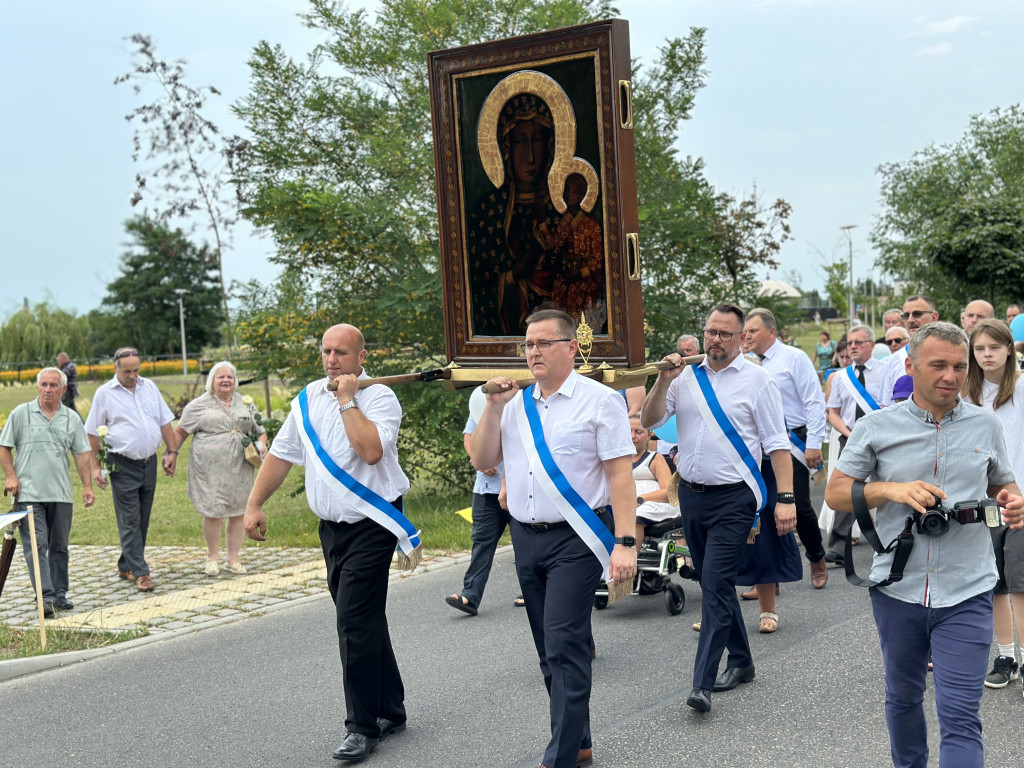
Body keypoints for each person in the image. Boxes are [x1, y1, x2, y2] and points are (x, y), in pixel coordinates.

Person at [825, 321, 1024, 768]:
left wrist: (1012, 503)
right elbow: (837, 493)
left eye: (958, 365)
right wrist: (890, 490)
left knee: (960, 716)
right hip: (899, 588)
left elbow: (1003, 485)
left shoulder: (985, 423)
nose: (951, 376)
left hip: (968, 587)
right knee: (903, 699)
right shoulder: (876, 427)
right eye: (938, 365)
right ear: (911, 366)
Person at [470, 309, 636, 768]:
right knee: (548, 649)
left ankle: (560, 757)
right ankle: (579, 739)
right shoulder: (514, 404)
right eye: (528, 345)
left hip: (577, 539)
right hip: (526, 537)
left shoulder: (601, 401)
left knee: (565, 642)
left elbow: (620, 474)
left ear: (570, 347)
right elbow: (484, 459)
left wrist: (625, 542)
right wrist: (492, 406)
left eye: (544, 343)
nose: (534, 352)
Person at [244, 324, 413, 763]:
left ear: (361, 358)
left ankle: (361, 727)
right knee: (364, 618)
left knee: (353, 622)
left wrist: (347, 399)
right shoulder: (306, 400)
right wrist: (254, 504)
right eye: (326, 351)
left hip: (372, 524)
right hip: (332, 531)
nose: (332, 359)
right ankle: (390, 709)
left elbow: (370, 451)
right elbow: (280, 456)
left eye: (341, 352)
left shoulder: (379, 398)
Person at [641, 303, 794, 714]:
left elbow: (778, 444)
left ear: (742, 338)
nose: (716, 340)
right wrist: (662, 379)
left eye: (725, 334)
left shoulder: (758, 382)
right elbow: (651, 418)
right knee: (716, 586)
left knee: (714, 582)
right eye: (711, 332)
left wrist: (785, 499)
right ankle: (742, 662)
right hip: (691, 495)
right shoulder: (685, 377)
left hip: (735, 498)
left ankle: (702, 683)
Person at [743, 308, 829, 592]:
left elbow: (814, 401)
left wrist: (815, 442)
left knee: (799, 506)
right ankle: (768, 577)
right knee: (762, 509)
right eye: (745, 331)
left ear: (771, 332)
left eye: (752, 331)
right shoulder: (743, 362)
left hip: (792, 441)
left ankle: (816, 557)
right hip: (756, 445)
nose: (746, 335)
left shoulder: (794, 358)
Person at [467, 94, 564, 336]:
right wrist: (511, 277)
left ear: (550, 145)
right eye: (521, 141)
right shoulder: (488, 212)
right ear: (506, 146)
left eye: (538, 140)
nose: (530, 156)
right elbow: (476, 287)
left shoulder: (561, 211)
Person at [0, 367, 94, 616]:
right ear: (37, 387)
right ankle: (46, 597)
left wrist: (87, 486)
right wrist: (11, 476)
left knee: (60, 546)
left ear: (63, 389)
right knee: (37, 545)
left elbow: (82, 454)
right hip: (29, 494)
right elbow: (4, 446)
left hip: (61, 493)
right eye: (44, 385)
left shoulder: (71, 418)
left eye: (53, 385)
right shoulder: (21, 414)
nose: (48, 390)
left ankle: (60, 594)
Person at [963, 319, 1024, 693]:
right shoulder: (966, 394)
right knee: (994, 583)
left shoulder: (1021, 387)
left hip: (1018, 498)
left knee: (1021, 583)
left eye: (994, 347)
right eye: (979, 348)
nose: (986, 354)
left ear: (1008, 350)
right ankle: (1006, 656)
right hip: (981, 502)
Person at [84, 347, 176, 593]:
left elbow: (165, 421)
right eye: (127, 371)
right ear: (116, 368)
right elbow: (92, 432)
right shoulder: (105, 393)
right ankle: (141, 572)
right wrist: (95, 467)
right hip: (121, 463)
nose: (132, 375)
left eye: (136, 370)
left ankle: (126, 563)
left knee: (142, 519)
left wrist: (172, 451)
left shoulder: (149, 387)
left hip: (149, 462)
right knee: (129, 519)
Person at [174, 361, 266, 577]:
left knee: (237, 511)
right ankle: (212, 558)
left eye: (230, 377)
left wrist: (262, 445)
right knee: (213, 512)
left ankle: (232, 560)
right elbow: (179, 432)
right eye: (220, 377)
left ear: (235, 381)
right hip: (208, 469)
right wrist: (171, 454)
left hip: (240, 466)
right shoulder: (198, 405)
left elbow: (260, 430)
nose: (226, 380)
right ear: (211, 382)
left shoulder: (245, 403)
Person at [445, 409, 508, 616]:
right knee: (481, 542)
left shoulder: (523, 401)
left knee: (527, 546)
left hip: (519, 489)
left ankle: (534, 592)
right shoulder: (482, 404)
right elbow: (469, 438)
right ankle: (470, 597)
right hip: (486, 489)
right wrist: (478, 460)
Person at [879, 295, 939, 406]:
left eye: (917, 314)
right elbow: (886, 406)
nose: (911, 320)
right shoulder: (895, 359)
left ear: (934, 317)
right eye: (906, 315)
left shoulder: (950, 353)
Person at [629, 413, 676, 545]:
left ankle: (631, 562)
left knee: (634, 516)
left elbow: (668, 492)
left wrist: (641, 498)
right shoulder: (619, 460)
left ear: (649, 435)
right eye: (629, 431)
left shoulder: (655, 458)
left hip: (653, 505)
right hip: (627, 503)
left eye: (638, 432)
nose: (633, 436)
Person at [56, 352, 79, 417]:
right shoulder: (65, 366)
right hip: (67, 390)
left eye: (59, 360)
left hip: (69, 390)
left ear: (64, 359)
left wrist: (56, 371)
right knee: (72, 409)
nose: (59, 362)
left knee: (63, 407)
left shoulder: (69, 366)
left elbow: (63, 375)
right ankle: (82, 423)